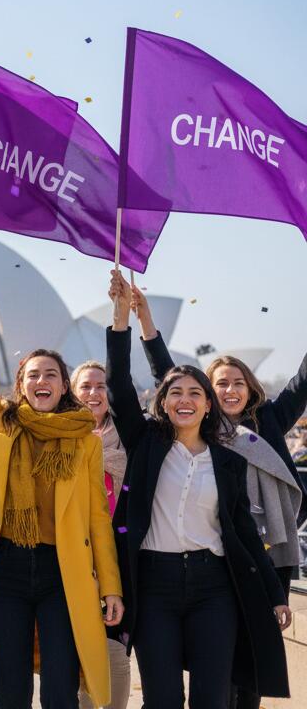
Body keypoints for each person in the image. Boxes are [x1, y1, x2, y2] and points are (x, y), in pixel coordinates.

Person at [0, 268, 123, 709]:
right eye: (33, 375)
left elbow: (97, 518)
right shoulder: (0, 422)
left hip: (63, 573)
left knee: (61, 690)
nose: (42, 382)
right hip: (7, 571)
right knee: (11, 689)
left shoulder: (84, 442)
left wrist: (110, 586)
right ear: (21, 385)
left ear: (64, 386)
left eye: (51, 375)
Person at [105, 270, 291, 706]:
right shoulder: (146, 444)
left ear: (208, 405)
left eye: (195, 392)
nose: (184, 399)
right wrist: (120, 322)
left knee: (212, 698)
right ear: (163, 402)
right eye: (175, 392)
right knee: (163, 697)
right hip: (155, 586)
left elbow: (243, 533)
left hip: (214, 587)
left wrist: (275, 594)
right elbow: (117, 388)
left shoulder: (227, 460)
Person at [134, 287, 307, 524]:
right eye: (222, 383)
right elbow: (165, 372)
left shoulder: (269, 418)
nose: (231, 390)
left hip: (272, 536)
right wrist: (145, 318)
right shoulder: (200, 426)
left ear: (250, 389)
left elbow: (302, 383)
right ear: (208, 395)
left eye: (239, 383)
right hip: (217, 533)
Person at [69, 361, 131, 709]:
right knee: (73, 655)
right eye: (86, 386)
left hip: (116, 561)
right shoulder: (60, 438)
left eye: (101, 387)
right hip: (71, 561)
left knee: (115, 652)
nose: (94, 394)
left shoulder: (130, 440)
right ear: (72, 391)